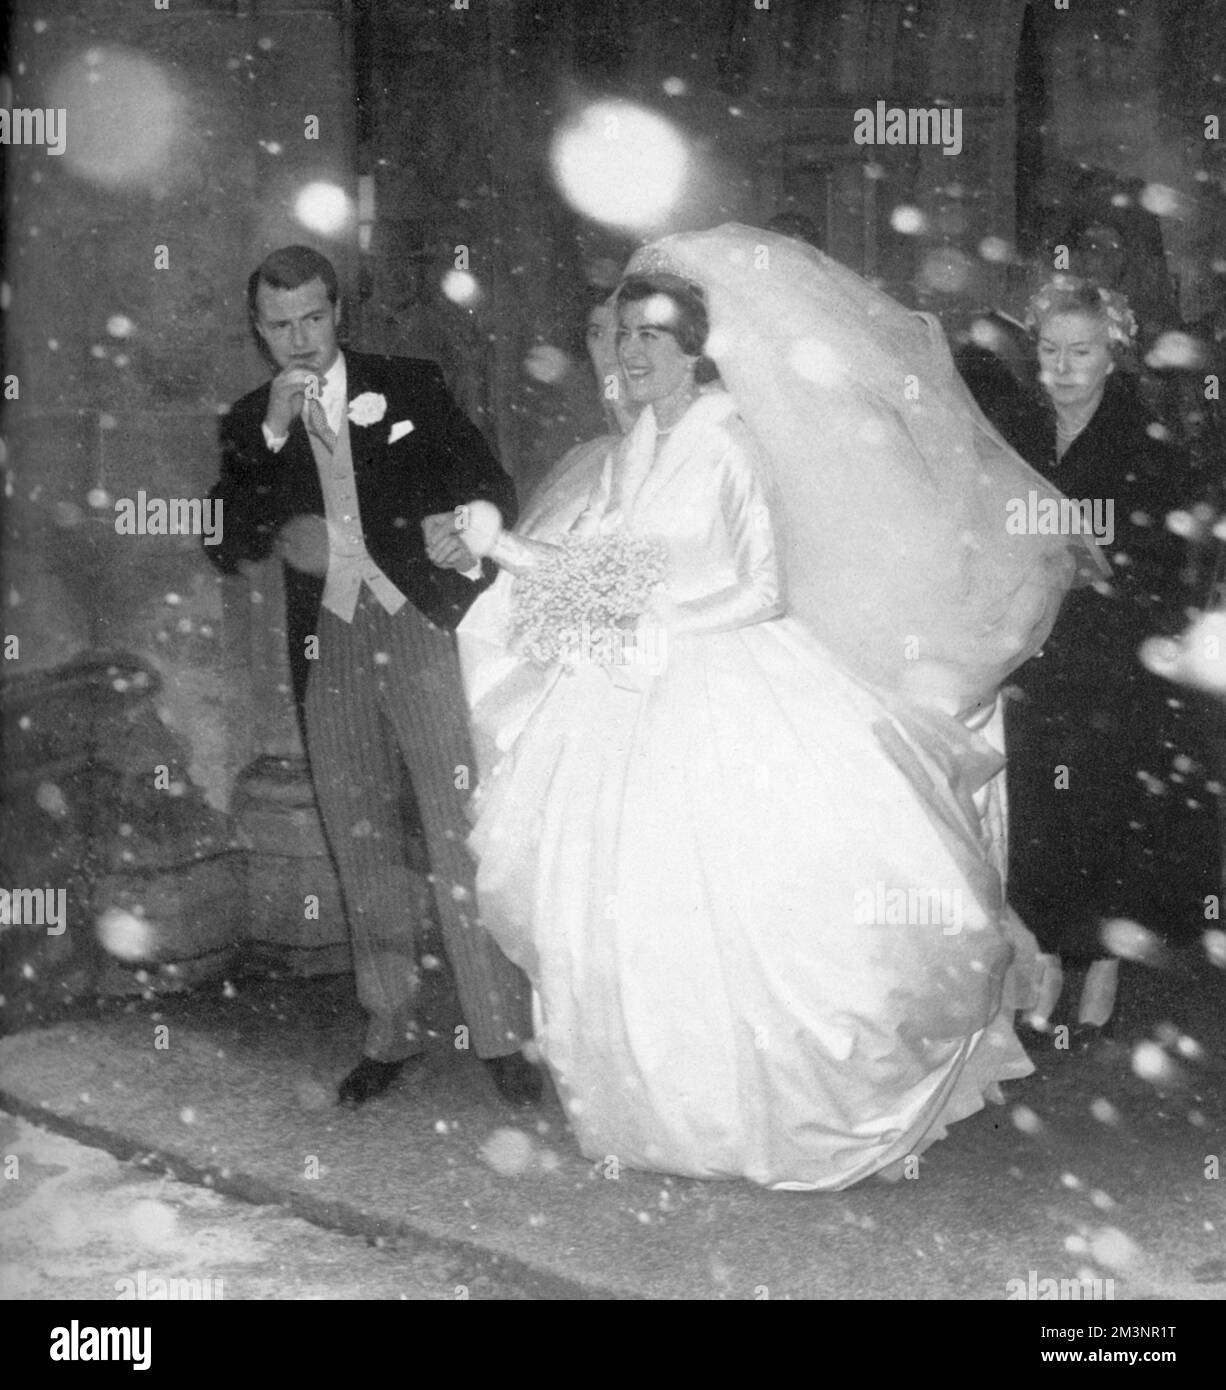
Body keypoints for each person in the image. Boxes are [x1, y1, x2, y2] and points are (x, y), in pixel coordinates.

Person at [442, 225, 1099, 1190]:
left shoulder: (731, 442)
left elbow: (760, 589)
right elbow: (601, 577)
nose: (631, 355)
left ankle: (787, 1116)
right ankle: (674, 1113)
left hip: (730, 685)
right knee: (634, 909)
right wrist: (500, 550)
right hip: (632, 702)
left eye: (652, 338)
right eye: (623, 336)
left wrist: (657, 620)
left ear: (698, 348)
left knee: (765, 904)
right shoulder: (632, 455)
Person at [205, 245, 539, 1107]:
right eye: (279, 326)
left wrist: (463, 524)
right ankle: (389, 1031)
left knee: (460, 825)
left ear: (337, 313)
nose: (299, 339)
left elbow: (489, 482)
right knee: (361, 841)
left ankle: (501, 1034)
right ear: (258, 330)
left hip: (421, 621)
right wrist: (274, 445)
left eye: (312, 318)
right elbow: (225, 538)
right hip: (329, 641)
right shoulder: (250, 421)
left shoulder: (411, 384)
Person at [1005, 277, 1221, 1036]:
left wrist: (1109, 566)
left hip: (1111, 661)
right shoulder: (1018, 433)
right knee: (1035, 811)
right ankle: (1048, 957)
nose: (1063, 367)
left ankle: (1099, 960)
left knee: (1100, 813)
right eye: (1051, 350)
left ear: (1112, 357)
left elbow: (1175, 561)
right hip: (1033, 651)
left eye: (1082, 352)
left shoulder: (1145, 445)